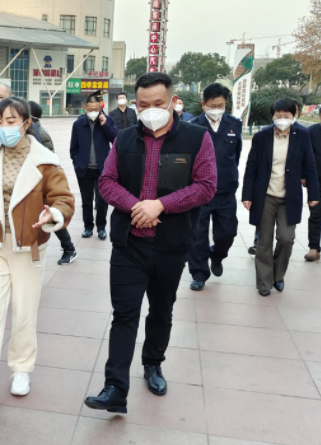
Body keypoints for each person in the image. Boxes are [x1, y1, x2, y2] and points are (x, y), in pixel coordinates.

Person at [86, 72, 217, 413]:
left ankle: (153, 363)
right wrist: (136, 207)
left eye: (158, 103)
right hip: (128, 244)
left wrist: (161, 205)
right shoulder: (125, 138)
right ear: (135, 104)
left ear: (173, 102)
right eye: (143, 105)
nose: (150, 110)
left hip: (171, 245)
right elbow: (107, 181)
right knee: (124, 314)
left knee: (161, 310)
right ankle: (115, 387)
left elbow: (205, 186)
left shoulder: (197, 138)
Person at [0, 97, 74, 407]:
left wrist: (53, 214)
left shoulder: (46, 160)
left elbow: (64, 199)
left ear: (26, 123)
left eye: (11, 121)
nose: (4, 128)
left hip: (28, 247)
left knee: (24, 312)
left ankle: (21, 370)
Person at [242, 98, 319, 296]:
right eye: (278, 116)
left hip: (289, 197)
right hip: (265, 195)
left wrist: (313, 193)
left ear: (294, 116)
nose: (282, 119)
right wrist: (247, 195)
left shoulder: (302, 135)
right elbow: (251, 167)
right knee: (264, 241)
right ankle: (264, 282)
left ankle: (278, 275)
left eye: (287, 116)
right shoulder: (262, 137)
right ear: (273, 116)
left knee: (286, 239)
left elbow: (310, 165)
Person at [187, 84, 243, 291]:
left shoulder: (234, 125)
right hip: (200, 191)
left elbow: (236, 155)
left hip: (226, 191)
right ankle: (199, 273)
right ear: (204, 105)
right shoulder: (193, 127)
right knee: (197, 234)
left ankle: (217, 256)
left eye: (221, 105)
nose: (217, 109)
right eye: (213, 105)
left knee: (227, 233)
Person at [29, 100, 78, 265]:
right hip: (36, 183)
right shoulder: (35, 130)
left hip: (40, 184)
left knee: (51, 217)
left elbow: (47, 160)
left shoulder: (37, 133)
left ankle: (69, 248)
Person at [70, 92, 118, 240]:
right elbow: (73, 147)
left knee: (103, 200)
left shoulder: (108, 120)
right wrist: (77, 163)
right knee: (86, 200)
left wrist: (105, 125)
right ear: (85, 108)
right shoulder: (78, 124)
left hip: (103, 169)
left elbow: (115, 139)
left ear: (100, 107)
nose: (93, 112)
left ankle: (101, 227)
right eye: (90, 109)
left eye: (96, 109)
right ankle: (88, 227)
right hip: (84, 169)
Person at [305, 114, 321, 261]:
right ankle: (314, 247)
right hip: (316, 181)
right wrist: (303, 175)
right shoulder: (312, 132)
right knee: (315, 214)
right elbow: (305, 155)